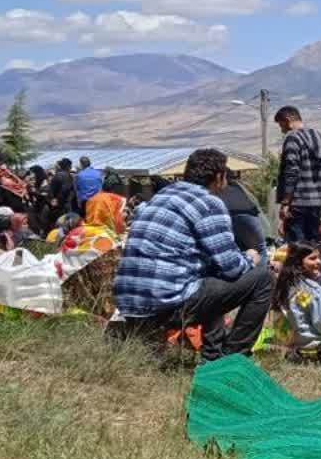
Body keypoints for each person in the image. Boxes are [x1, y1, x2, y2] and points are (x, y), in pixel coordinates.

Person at [113, 148, 273, 362]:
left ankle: (213, 353)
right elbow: (232, 267)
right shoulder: (208, 203)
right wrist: (251, 257)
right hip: (166, 304)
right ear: (219, 177)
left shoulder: (162, 196)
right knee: (263, 279)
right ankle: (233, 358)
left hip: (130, 305)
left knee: (209, 276)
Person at [274, 105, 321, 244]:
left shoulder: (293, 138)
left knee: (297, 248)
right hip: (318, 202)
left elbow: (292, 171)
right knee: (314, 245)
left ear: (288, 119)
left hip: (298, 202)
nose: (282, 130)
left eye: (281, 126)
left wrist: (286, 202)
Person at [215, 171, 268, 256]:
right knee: (260, 249)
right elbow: (254, 204)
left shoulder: (216, 188)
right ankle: (261, 268)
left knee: (240, 250)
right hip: (247, 216)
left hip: (229, 217)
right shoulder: (238, 187)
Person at [47, 158, 76, 230]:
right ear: (68, 166)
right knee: (65, 223)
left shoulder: (57, 176)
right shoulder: (68, 176)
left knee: (60, 223)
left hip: (60, 204)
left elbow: (51, 191)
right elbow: (67, 190)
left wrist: (54, 200)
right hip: (64, 204)